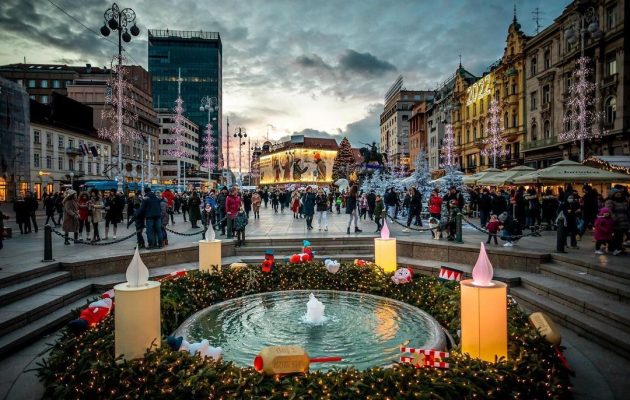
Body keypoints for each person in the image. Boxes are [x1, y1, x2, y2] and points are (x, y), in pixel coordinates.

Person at [605, 189, 629, 256]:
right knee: (617, 236)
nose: (618, 194)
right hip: (616, 222)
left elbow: (626, 210)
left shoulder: (623, 201)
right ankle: (616, 249)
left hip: (624, 221)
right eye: (616, 193)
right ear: (612, 194)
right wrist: (614, 218)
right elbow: (609, 211)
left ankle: (617, 248)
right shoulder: (610, 201)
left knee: (620, 236)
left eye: (619, 192)